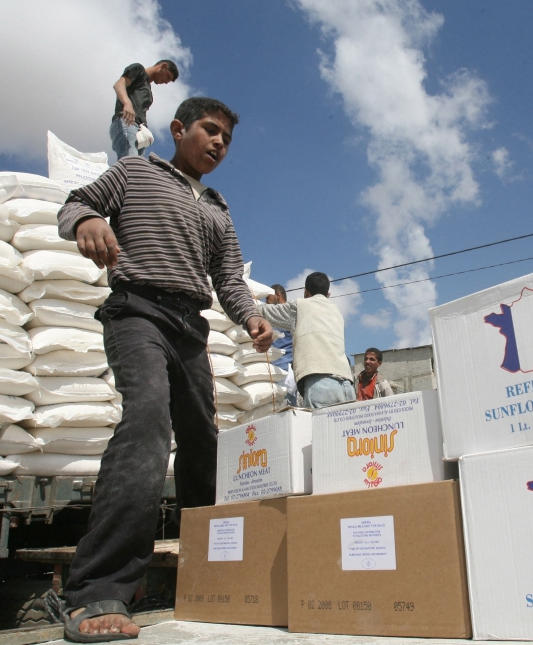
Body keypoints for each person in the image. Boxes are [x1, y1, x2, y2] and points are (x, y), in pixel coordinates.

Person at [56, 96, 272, 641]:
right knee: (149, 418)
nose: (219, 142)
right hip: (137, 312)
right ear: (178, 129)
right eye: (209, 130)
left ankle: (207, 576)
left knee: (204, 441)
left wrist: (251, 319)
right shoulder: (136, 170)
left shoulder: (219, 209)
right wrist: (86, 220)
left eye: (227, 137)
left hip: (189, 328)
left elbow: (227, 280)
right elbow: (76, 203)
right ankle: (97, 590)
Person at [259, 272, 355, 409]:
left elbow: (264, 312)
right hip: (347, 385)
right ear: (328, 294)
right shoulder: (337, 311)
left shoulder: (300, 307)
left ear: (305, 291)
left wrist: (243, 302)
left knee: (319, 430)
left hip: (320, 383)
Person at [110, 60, 179, 160]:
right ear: (163, 66)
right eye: (167, 76)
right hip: (127, 122)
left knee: (137, 167)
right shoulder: (139, 70)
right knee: (130, 162)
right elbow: (119, 84)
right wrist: (127, 103)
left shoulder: (148, 89)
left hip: (140, 130)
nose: (165, 82)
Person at [266, 284, 297, 406]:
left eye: (268, 298)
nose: (266, 302)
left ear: (277, 295)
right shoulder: (271, 316)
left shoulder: (289, 313)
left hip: (285, 371)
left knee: (287, 408)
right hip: (272, 371)